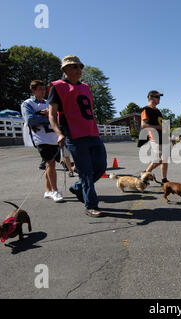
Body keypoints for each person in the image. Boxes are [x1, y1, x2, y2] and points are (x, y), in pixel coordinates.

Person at [48, 55, 107, 218]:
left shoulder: (86, 87)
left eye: (80, 67)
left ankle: (78, 187)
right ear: (65, 69)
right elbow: (52, 115)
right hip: (75, 135)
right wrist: (59, 133)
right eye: (74, 67)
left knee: (101, 166)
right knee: (86, 172)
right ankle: (91, 205)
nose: (79, 70)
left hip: (92, 133)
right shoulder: (57, 86)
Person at [21, 80, 64, 202]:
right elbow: (31, 120)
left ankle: (47, 190)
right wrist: (48, 117)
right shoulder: (27, 103)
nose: (43, 91)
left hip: (53, 138)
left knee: (50, 164)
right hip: (41, 138)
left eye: (44, 89)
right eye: (40, 89)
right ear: (33, 90)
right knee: (50, 163)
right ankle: (55, 191)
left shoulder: (48, 103)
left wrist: (50, 116)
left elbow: (58, 117)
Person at [139, 90, 169, 183]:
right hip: (154, 137)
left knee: (165, 159)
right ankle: (145, 174)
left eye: (159, 97)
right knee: (158, 160)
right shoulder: (146, 109)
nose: (159, 99)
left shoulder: (158, 111)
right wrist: (158, 127)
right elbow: (143, 125)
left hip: (163, 137)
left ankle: (164, 179)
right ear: (150, 97)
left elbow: (163, 126)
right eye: (157, 97)